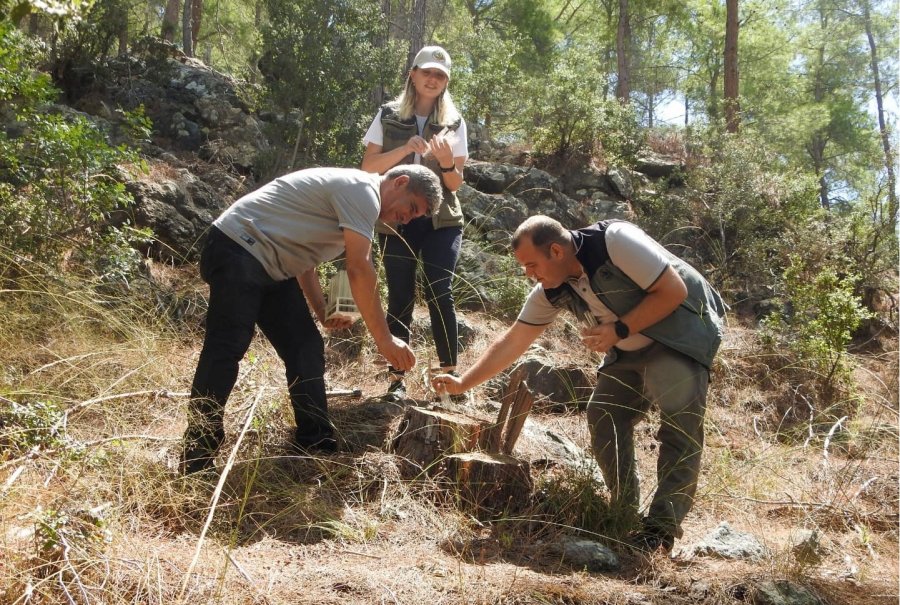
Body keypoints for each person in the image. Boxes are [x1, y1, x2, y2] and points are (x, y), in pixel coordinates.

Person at [432, 216, 726, 552]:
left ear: (556, 250)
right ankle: (624, 512)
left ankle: (659, 530)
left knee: (679, 431)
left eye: (531, 264)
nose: (528, 274)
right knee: (604, 414)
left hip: (680, 338)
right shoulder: (551, 290)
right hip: (628, 350)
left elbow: (674, 291)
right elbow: (513, 340)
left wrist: (617, 331)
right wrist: (462, 383)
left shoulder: (615, 242)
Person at [182, 165, 443, 474]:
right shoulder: (363, 191)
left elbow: (305, 262)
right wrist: (384, 339)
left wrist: (322, 311)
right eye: (411, 208)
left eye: (415, 216)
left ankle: (315, 443)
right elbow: (359, 268)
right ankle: (197, 456)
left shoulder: (360, 209)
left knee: (305, 346)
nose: (407, 219)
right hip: (237, 246)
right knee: (227, 346)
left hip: (272, 266)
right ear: (400, 183)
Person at [360, 45, 468, 401]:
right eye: (427, 72)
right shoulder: (388, 114)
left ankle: (450, 378)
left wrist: (446, 161)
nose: (432, 79)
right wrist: (405, 150)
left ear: (446, 81)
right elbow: (368, 168)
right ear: (414, 74)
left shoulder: (455, 122)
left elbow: (454, 184)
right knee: (401, 294)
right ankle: (397, 379)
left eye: (440, 75)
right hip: (397, 218)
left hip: (442, 221)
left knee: (440, 290)